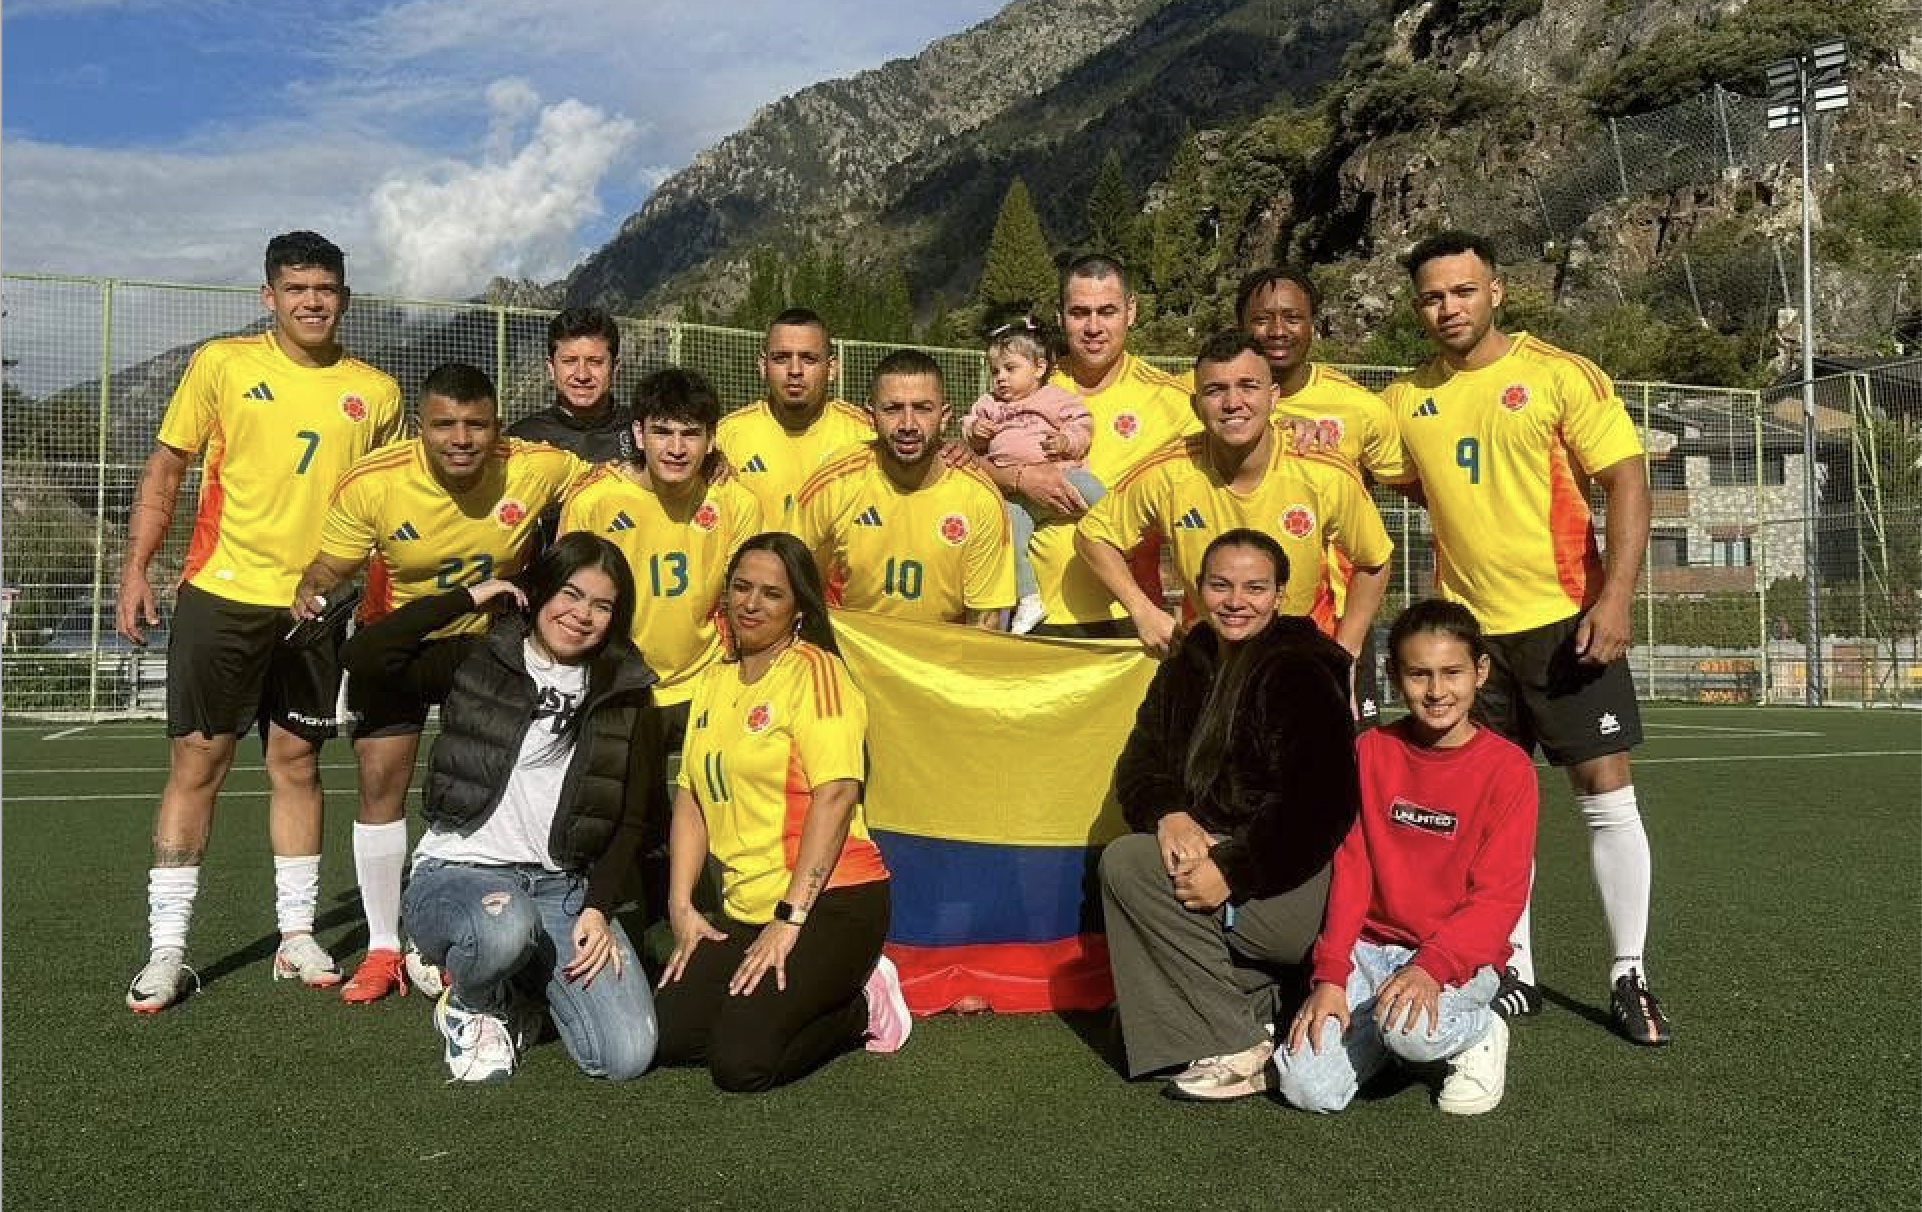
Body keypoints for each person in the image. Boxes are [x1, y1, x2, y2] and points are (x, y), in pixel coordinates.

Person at [1378, 229, 1670, 1044]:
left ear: (1496, 291)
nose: (1449, 308)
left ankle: (1629, 972)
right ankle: (1513, 972)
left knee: (1605, 797)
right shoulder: (1404, 400)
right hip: (1468, 641)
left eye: (1463, 291)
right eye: (1434, 296)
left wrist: (1614, 599)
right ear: (1418, 307)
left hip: (1567, 622)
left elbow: (1626, 478)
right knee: (1486, 817)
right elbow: (1367, 465)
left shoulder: (1556, 373)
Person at [118, 230, 404, 1013]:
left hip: (320, 605)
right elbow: (168, 466)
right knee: (198, 763)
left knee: (298, 762)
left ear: (344, 298)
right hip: (224, 594)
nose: (312, 301)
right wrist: (136, 566)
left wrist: (377, 600)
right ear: (269, 297)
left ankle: (296, 935)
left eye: (326, 289)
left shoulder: (376, 394)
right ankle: (169, 950)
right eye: (297, 288)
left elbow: (383, 508)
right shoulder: (224, 365)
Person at [292, 361, 595, 1003]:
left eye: (476, 424)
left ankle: (480, 925)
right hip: (401, 641)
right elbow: (327, 566)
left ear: (497, 427)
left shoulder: (537, 465)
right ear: (420, 428)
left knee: (496, 780)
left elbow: (614, 484)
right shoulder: (374, 482)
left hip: (485, 646)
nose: (461, 438)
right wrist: (313, 589)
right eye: (444, 425)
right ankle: (381, 949)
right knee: (379, 781)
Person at [341, 533, 665, 1083]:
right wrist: (470, 597)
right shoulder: (479, 658)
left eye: (602, 605)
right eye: (570, 593)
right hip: (460, 873)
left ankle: (520, 985)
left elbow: (630, 819)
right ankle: (469, 1001)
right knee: (503, 926)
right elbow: (365, 654)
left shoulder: (627, 694)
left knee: (626, 1054)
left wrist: (598, 908)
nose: (582, 614)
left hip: (562, 889)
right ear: (538, 593)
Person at [1102, 529, 1360, 1101]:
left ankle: (1238, 1043)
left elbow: (1320, 804)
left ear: (1280, 594)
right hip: (1215, 853)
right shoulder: (1185, 665)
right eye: (1220, 585)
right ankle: (1259, 998)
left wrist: (1236, 870)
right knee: (1134, 857)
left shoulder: (1300, 669)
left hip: (1290, 879)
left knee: (1131, 865)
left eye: (1254, 587)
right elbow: (1140, 762)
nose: (1236, 600)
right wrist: (1167, 812)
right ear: (1197, 588)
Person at [653, 532, 911, 1091]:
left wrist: (790, 918)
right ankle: (776, 1000)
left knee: (741, 1063)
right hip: (747, 910)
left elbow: (836, 796)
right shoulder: (715, 678)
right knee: (668, 1035)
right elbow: (691, 797)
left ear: (799, 607)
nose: (751, 604)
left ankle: (866, 1004)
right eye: (741, 588)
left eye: (772, 593)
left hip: (830, 903)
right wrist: (680, 908)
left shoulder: (817, 673)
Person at [1276, 599, 1538, 1116]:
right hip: (1370, 951)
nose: (1437, 691)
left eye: (1452, 673)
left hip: (1456, 959)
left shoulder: (1509, 770)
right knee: (1307, 1089)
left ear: (1480, 672)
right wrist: (1331, 976)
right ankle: (1387, 1040)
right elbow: (1351, 869)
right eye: (1419, 675)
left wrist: (1430, 968)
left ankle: (1480, 1031)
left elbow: (1498, 897)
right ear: (1395, 677)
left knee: (1413, 1033)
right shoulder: (1369, 752)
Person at [1076, 332, 1393, 666]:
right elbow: (1093, 535)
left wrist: (1346, 651)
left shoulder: (1324, 471)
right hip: (1210, 663)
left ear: (1273, 398)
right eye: (1215, 390)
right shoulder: (1167, 473)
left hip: (1299, 662)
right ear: (1196, 406)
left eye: (1248, 386)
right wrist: (1143, 611)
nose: (1232, 402)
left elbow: (1374, 559)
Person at [978, 256, 1196, 638]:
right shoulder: (1026, 383)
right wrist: (1021, 477)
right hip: (1036, 621)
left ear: (1131, 312)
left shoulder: (1172, 398)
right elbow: (967, 462)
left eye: (1107, 311)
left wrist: (1299, 424)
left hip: (1132, 616)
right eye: (1080, 313)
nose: (1093, 327)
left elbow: (1247, 428)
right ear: (1062, 318)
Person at [1237, 265, 1409, 724]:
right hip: (1234, 618)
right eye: (1262, 319)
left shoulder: (1360, 408)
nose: (1277, 331)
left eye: (1292, 317)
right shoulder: (1208, 403)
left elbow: (1414, 489)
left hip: (1332, 621)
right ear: (1240, 325)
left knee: (1341, 762)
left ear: (1314, 322)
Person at [560, 367, 763, 744]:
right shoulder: (594, 501)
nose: (676, 448)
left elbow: (745, 602)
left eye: (690, 434)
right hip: (620, 686)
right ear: (639, 434)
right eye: (662, 432)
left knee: (706, 801)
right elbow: (567, 600)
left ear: (711, 439)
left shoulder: (736, 502)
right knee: (628, 802)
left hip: (708, 684)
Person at [794, 350, 1015, 628]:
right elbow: (788, 578)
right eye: (893, 409)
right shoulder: (832, 483)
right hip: (850, 660)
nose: (908, 424)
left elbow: (984, 623)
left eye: (922, 408)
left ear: (944, 415)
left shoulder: (980, 498)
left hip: (935, 666)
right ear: (871, 416)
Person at [962, 308, 1102, 634]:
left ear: (1039, 368)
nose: (1001, 378)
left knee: (1095, 490)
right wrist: (976, 430)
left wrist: (1066, 441)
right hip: (1015, 494)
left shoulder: (1054, 398)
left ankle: (1120, 539)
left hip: (1061, 473)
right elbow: (968, 426)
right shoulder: (989, 404)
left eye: (1011, 369)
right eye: (995, 371)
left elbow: (1083, 425)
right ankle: (1028, 598)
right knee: (1008, 534)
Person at [715, 309, 875, 529]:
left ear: (832, 368)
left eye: (808, 359)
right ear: (763, 366)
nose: (795, 370)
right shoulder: (725, 436)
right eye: (782, 358)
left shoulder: (867, 434)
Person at [506, 307, 632, 462]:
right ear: (551, 368)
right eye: (569, 361)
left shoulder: (642, 435)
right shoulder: (521, 439)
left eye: (595, 362)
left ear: (615, 368)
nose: (582, 375)